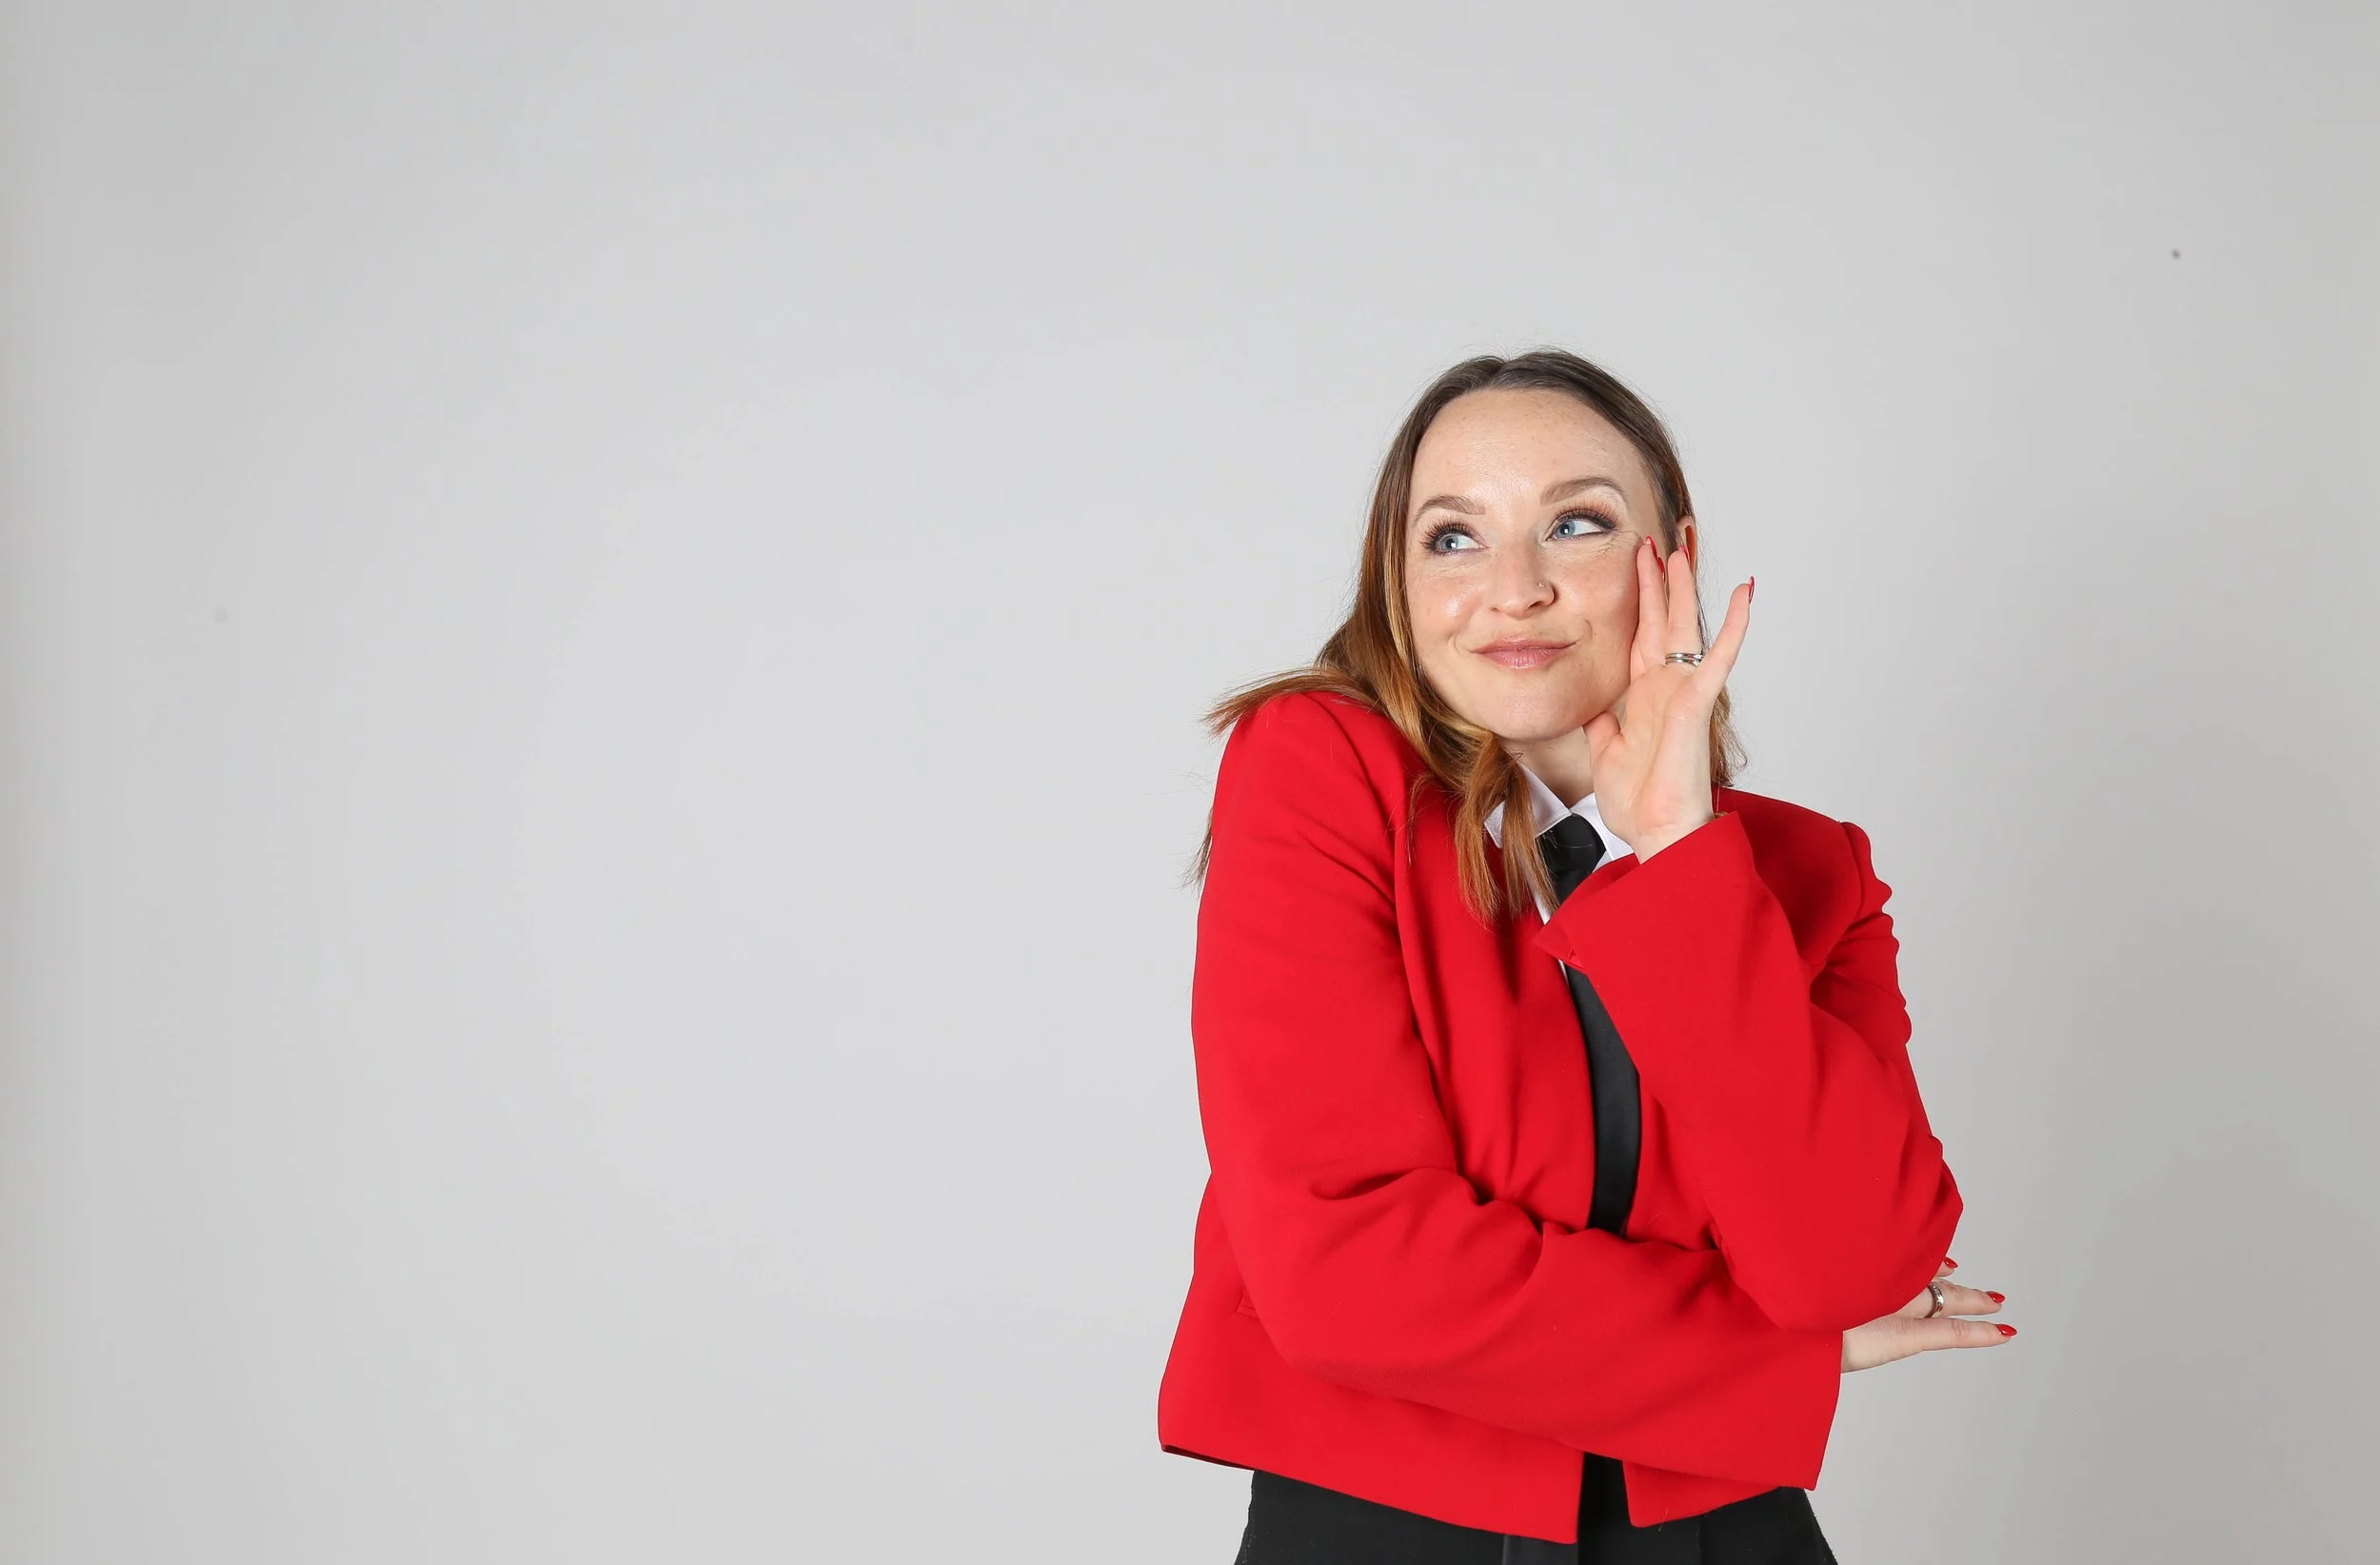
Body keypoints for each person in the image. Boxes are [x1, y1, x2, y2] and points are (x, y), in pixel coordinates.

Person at [1156, 349, 2014, 1563]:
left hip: (1723, 1533)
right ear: (1399, 582)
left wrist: (1677, 855)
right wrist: (1761, 1355)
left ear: (1672, 561)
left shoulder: (1807, 870)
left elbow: (1849, 1266)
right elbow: (1343, 1275)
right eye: (1452, 538)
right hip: (1386, 1533)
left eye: (1575, 524)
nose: (1513, 590)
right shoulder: (1318, 768)